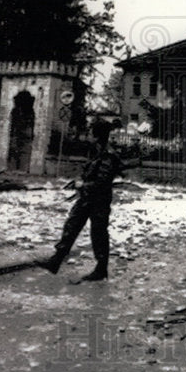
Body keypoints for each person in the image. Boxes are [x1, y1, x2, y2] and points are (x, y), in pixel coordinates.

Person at [35, 119, 124, 282]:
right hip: (87, 198)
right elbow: (89, 173)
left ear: (97, 136)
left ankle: (101, 269)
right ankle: (56, 260)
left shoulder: (108, 155)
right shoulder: (97, 151)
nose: (89, 135)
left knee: (98, 233)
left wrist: (83, 185)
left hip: (99, 201)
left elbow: (102, 182)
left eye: (91, 133)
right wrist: (80, 181)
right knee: (72, 225)